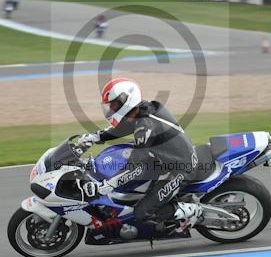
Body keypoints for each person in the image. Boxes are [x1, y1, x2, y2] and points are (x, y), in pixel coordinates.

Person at [78, 78, 203, 233]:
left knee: (142, 212)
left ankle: (192, 210)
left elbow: (135, 166)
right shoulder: (142, 110)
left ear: (127, 100)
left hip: (181, 169)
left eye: (114, 104)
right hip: (164, 161)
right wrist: (97, 137)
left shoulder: (145, 126)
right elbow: (124, 127)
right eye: (110, 105)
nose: (111, 108)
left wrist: (108, 185)